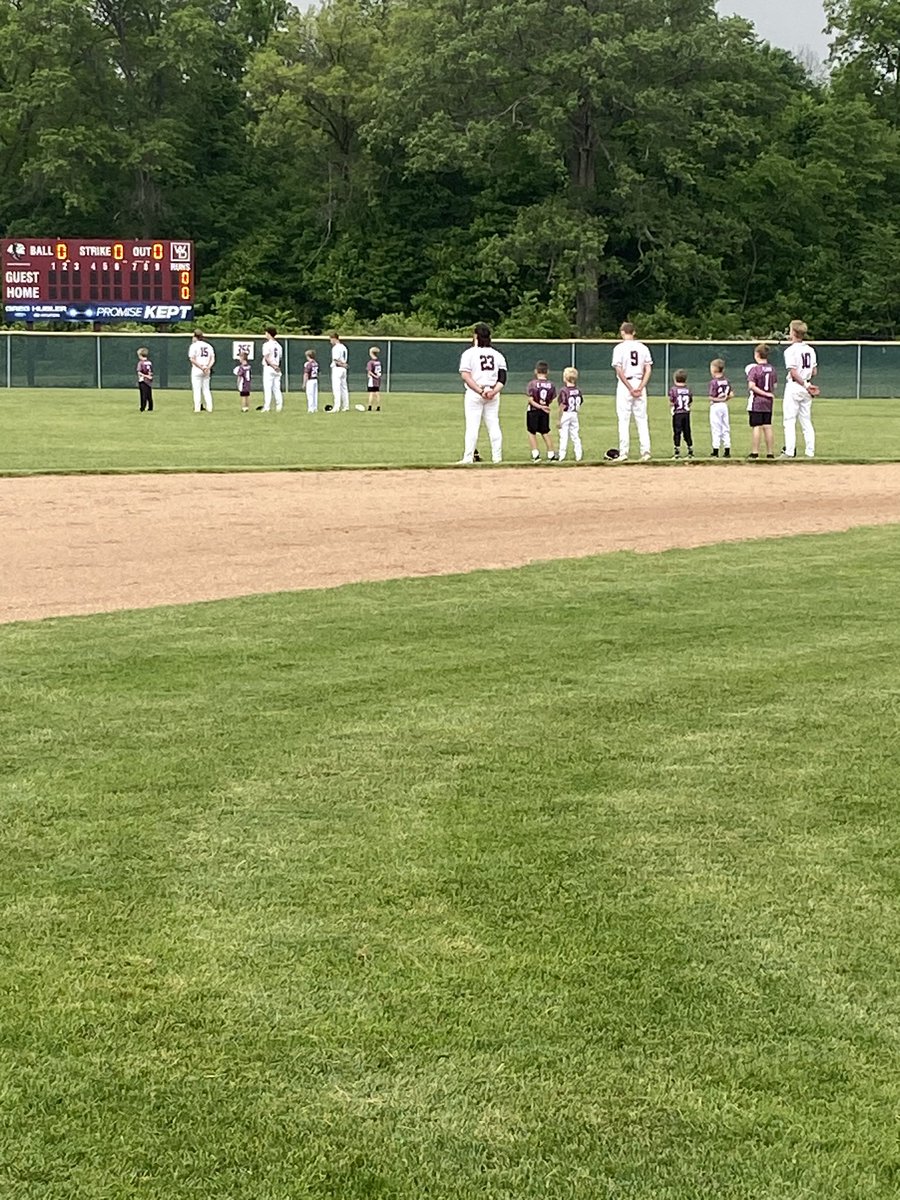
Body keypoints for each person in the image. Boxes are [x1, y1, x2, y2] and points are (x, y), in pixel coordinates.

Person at [457, 322, 506, 463]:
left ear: (476, 336)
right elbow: (503, 378)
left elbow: (466, 375)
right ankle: (497, 458)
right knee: (494, 425)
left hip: (475, 393)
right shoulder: (497, 355)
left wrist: (480, 391)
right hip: (493, 392)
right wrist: (493, 391)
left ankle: (468, 458)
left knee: (472, 426)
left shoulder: (469, 353)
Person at [612, 321, 653, 461]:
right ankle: (646, 452)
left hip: (625, 384)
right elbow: (648, 369)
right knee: (642, 419)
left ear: (622, 333)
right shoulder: (643, 347)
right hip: (639, 381)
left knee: (623, 420)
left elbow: (619, 369)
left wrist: (630, 387)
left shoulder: (619, 348)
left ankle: (624, 453)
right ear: (634, 332)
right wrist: (641, 387)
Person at [782, 319, 819, 458]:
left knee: (789, 420)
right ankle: (810, 452)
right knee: (806, 421)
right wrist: (808, 384)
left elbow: (793, 372)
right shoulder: (810, 349)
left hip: (795, 386)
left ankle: (789, 452)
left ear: (793, 332)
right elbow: (814, 371)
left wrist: (803, 384)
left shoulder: (790, 350)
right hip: (807, 386)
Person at [746, 343, 777, 459]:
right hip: (768, 402)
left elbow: (752, 385)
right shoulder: (772, 369)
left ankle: (755, 452)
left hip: (758, 401)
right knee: (768, 426)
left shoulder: (755, 369)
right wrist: (768, 393)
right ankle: (770, 452)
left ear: (757, 355)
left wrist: (763, 393)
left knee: (757, 426)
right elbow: (774, 384)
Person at [526, 361, 557, 461]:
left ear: (536, 371)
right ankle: (551, 454)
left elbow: (530, 399)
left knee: (531, 432)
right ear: (547, 372)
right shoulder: (551, 385)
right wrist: (545, 405)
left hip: (533, 409)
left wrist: (539, 406)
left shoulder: (532, 384)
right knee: (545, 431)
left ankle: (535, 454)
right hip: (545, 410)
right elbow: (552, 398)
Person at [557, 367, 584, 462]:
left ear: (565, 378)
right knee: (575, 435)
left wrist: (559, 419)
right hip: (574, 413)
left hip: (566, 413)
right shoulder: (578, 390)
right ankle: (579, 454)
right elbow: (580, 401)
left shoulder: (564, 390)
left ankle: (562, 455)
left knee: (563, 435)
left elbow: (562, 405)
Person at [708, 359, 732, 457]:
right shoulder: (726, 381)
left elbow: (711, 396)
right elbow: (731, 394)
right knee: (725, 427)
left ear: (714, 369)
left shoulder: (713, 382)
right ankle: (727, 450)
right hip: (724, 405)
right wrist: (725, 399)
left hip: (715, 405)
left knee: (716, 428)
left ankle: (715, 450)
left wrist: (713, 399)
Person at [668, 368, 693, 459]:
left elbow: (672, 401)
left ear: (675, 379)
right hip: (686, 412)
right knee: (687, 431)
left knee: (677, 432)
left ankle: (677, 451)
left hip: (677, 413)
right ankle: (690, 450)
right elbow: (690, 401)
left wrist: (671, 409)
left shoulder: (673, 390)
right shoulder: (688, 390)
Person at [188, 330, 215, 412]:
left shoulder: (194, 346)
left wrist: (201, 367)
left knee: (197, 390)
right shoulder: (208, 346)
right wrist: (208, 367)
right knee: (206, 389)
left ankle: (197, 408)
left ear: (195, 337)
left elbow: (192, 359)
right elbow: (212, 359)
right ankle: (209, 408)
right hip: (207, 369)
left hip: (197, 369)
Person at [260, 326, 284, 413]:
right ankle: (279, 406)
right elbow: (280, 357)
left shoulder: (266, 345)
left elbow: (266, 357)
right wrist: (277, 367)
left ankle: (267, 407)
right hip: (277, 368)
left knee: (268, 388)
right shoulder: (279, 345)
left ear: (269, 334)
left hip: (269, 367)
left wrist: (273, 366)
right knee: (277, 388)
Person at [329, 332, 350, 412]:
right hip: (343, 369)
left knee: (336, 388)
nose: (330, 341)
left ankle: (336, 407)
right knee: (344, 388)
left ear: (334, 338)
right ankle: (346, 406)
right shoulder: (344, 347)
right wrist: (344, 365)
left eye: (331, 339)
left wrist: (342, 364)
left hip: (338, 368)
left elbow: (336, 360)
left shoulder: (336, 348)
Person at [136, 347, 153, 412]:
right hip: (149, 381)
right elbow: (151, 371)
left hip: (143, 380)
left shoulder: (141, 363)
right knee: (149, 395)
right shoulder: (149, 362)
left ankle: (142, 407)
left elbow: (139, 372)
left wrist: (145, 376)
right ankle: (150, 407)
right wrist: (149, 376)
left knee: (143, 395)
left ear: (140, 355)